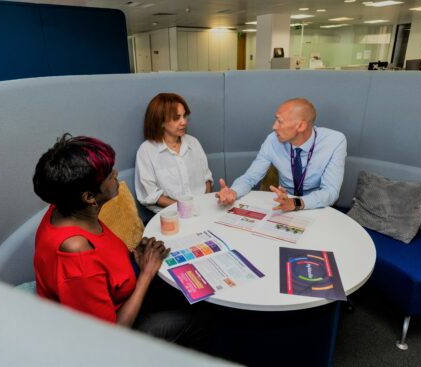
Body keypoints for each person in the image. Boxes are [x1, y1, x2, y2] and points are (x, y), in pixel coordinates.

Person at [33, 134, 207, 346]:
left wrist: (134, 254)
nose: (115, 174)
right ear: (89, 198)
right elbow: (108, 336)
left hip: (124, 291)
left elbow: (103, 258)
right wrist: (146, 273)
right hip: (120, 328)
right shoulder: (76, 252)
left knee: (194, 288)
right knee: (204, 318)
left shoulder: (64, 207)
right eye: (108, 175)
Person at [216, 98, 347, 212]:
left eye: (280, 121)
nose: (274, 127)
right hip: (283, 205)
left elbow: (330, 192)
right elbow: (250, 178)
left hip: (317, 207)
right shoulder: (272, 140)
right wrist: (233, 192)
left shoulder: (334, 141)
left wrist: (296, 203)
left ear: (301, 126)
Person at [135, 93, 213, 213]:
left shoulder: (193, 142)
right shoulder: (146, 151)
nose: (184, 122)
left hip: (203, 209)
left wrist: (204, 202)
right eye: (177, 118)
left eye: (184, 116)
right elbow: (151, 195)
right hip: (171, 215)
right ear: (160, 122)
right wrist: (186, 208)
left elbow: (207, 179)